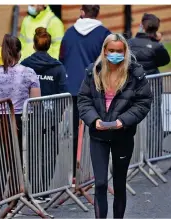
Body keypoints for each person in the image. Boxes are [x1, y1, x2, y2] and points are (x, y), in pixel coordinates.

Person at [77, 33, 152, 219]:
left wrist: (123, 121)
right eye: (111, 51)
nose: (115, 54)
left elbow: (143, 102)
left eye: (119, 51)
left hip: (123, 136)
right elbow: (84, 100)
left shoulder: (136, 73)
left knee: (119, 184)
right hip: (98, 135)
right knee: (100, 183)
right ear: (104, 50)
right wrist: (94, 120)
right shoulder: (93, 71)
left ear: (125, 51)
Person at [0, 34, 41, 216]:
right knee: (17, 161)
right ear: (20, 52)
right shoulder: (29, 73)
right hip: (19, 120)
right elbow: (35, 101)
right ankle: (14, 202)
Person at [60, 5, 111, 175]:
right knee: (97, 129)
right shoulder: (104, 34)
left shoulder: (69, 33)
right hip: (95, 88)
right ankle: (96, 170)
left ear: (82, 12)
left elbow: (62, 58)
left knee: (75, 131)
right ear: (97, 13)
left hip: (73, 88)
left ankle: (75, 173)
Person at [20, 26, 67, 203]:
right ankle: (44, 191)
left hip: (31, 116)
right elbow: (64, 93)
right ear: (48, 46)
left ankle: (34, 190)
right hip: (51, 117)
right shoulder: (58, 67)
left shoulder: (25, 65)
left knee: (32, 152)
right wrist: (59, 114)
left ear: (34, 45)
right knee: (50, 153)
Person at [127, 13, 171, 175]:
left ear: (141, 25)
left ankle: (131, 160)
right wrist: (157, 43)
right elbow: (164, 60)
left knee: (130, 121)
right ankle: (153, 161)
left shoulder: (130, 43)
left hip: (133, 86)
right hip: (152, 86)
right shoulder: (157, 47)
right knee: (154, 122)